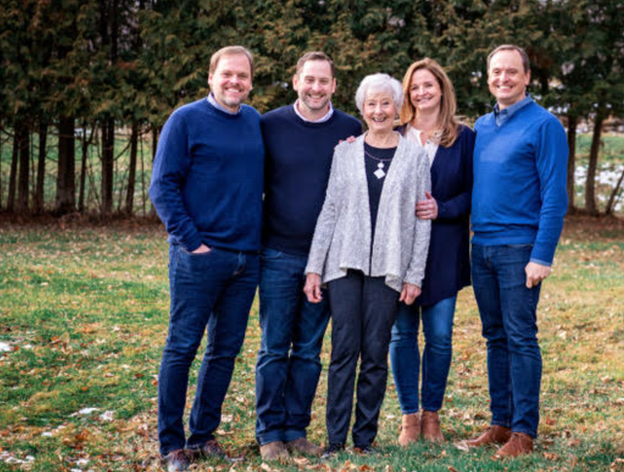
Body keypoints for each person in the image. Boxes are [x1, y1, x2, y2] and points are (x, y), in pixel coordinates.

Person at [303, 73, 431, 458]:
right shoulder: (344, 153)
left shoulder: (414, 156)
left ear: (397, 108)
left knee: (375, 353)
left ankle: (364, 440)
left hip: (390, 268)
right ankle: (335, 440)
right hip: (344, 265)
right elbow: (329, 211)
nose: (379, 111)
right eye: (371, 104)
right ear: (363, 109)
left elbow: (422, 217)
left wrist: (414, 274)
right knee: (343, 350)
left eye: (386, 103)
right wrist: (314, 267)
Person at [149, 46, 263, 472]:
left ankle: (203, 435)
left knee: (224, 351)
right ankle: (171, 444)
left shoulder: (253, 121)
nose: (235, 82)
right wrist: (192, 242)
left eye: (242, 76)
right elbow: (162, 187)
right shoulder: (185, 120)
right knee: (182, 347)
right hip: (198, 256)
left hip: (245, 258)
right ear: (211, 76)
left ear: (251, 82)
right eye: (227, 74)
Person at [255, 52, 363, 461]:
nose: (316, 88)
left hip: (328, 259)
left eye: (324, 81)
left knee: (308, 349)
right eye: (309, 80)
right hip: (279, 252)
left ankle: (295, 428)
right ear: (295, 80)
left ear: (335, 85)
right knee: (273, 346)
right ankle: (269, 433)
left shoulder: (350, 130)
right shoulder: (270, 125)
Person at [466, 44, 568, 458]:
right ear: (487, 76)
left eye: (512, 72)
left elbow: (555, 196)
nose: (503, 79)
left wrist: (541, 255)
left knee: (521, 337)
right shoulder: (482, 126)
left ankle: (524, 432)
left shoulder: (545, 126)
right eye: (496, 72)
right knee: (495, 337)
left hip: (519, 248)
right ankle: (501, 421)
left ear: (527, 77)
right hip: (482, 247)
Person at [388, 59, 475, 446]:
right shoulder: (392, 135)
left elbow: (475, 193)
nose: (422, 92)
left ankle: (431, 417)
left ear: (442, 89)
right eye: (414, 87)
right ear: (407, 94)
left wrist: (444, 208)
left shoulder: (464, 137)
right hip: (398, 253)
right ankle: (408, 417)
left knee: (439, 337)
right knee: (402, 335)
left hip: (443, 250)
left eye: (429, 85)